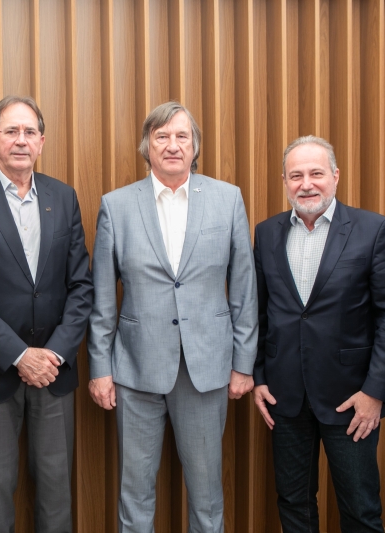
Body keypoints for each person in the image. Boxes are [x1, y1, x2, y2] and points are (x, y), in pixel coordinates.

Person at [88, 101, 258, 532]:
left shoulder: (227, 198)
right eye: (161, 136)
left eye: (181, 136)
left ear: (195, 145)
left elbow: (243, 290)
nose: (172, 145)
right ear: (147, 145)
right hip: (135, 369)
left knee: (206, 496)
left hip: (206, 369)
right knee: (135, 493)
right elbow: (103, 299)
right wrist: (100, 369)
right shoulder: (117, 205)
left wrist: (244, 363)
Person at [0, 95, 93, 533]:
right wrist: (20, 355)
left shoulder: (64, 197)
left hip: (55, 372)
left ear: (41, 142)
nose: (20, 140)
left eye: (29, 132)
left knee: (57, 493)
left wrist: (54, 354)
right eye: (11, 131)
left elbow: (80, 286)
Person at [252, 136, 385, 532]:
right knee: (294, 505)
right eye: (296, 175)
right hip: (284, 399)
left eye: (316, 173)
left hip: (351, 400)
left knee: (359, 509)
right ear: (285, 182)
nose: (306, 184)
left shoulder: (373, 230)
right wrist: (258, 378)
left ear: (335, 177)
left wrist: (375, 392)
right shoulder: (267, 234)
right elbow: (258, 313)